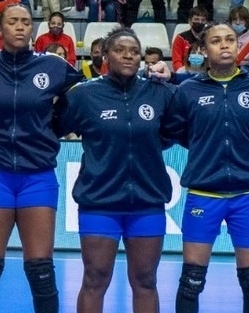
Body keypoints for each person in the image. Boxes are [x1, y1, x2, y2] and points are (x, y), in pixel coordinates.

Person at [0, 3, 82, 313]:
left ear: (32, 30)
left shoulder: (53, 66)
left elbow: (83, 99)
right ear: (0, 29)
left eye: (26, 22)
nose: (20, 27)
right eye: (13, 22)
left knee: (41, 270)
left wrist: (54, 130)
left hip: (38, 175)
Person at [56, 27, 175, 313]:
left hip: (147, 203)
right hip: (99, 203)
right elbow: (53, 128)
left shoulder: (159, 93)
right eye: (120, 50)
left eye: (134, 51)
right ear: (106, 55)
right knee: (95, 278)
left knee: (146, 280)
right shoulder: (84, 95)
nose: (128, 56)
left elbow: (174, 129)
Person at [164, 21, 249, 313]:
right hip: (203, 194)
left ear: (238, 46)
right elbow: (175, 132)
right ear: (204, 50)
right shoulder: (187, 91)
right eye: (216, 41)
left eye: (229, 40)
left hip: (247, 195)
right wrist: (205, 147)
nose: (224, 45)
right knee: (191, 281)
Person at [171, 6, 208, 72]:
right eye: (196, 19)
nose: (200, 22)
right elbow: (177, 62)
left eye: (203, 20)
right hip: (185, 74)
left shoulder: (209, 39)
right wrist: (184, 73)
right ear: (190, 21)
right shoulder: (180, 38)